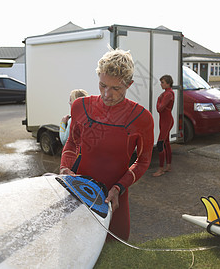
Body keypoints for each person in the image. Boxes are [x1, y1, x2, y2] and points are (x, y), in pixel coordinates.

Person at [59, 48, 154, 241]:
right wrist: (64, 168)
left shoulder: (141, 118)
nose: (106, 94)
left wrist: (119, 187)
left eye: (116, 88)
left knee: (115, 250)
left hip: (115, 200)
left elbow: (143, 162)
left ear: (129, 84)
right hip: (79, 194)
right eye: (102, 85)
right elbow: (72, 143)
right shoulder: (81, 106)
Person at [153, 75, 175, 177]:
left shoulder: (168, 94)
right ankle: (169, 166)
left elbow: (159, 109)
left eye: (162, 82)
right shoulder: (167, 93)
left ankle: (161, 169)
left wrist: (158, 100)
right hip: (165, 120)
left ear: (168, 83)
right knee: (166, 142)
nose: (161, 84)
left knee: (160, 144)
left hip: (166, 121)